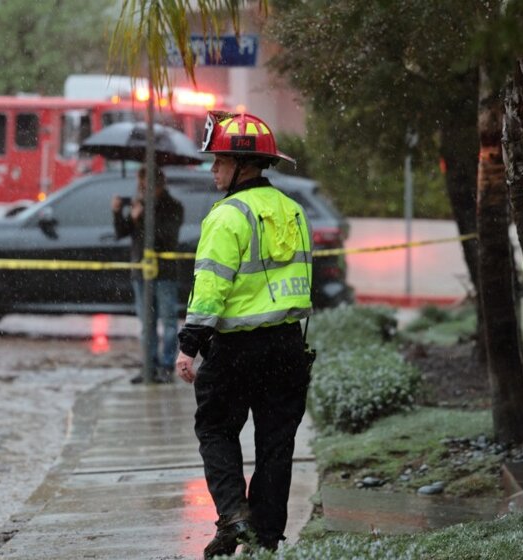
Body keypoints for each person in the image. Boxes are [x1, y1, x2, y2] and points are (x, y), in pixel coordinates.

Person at [174, 112, 313, 557]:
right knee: (276, 444)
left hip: (235, 348)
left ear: (243, 165)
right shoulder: (292, 211)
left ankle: (234, 514)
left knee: (216, 428)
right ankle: (265, 538)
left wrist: (188, 346)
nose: (213, 169)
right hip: (287, 344)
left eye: (219, 161)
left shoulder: (227, 215)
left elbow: (211, 286)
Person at [112, 165, 184, 384]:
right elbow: (121, 232)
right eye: (139, 184)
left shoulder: (172, 206)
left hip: (164, 272)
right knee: (147, 323)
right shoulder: (140, 204)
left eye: (144, 184)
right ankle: (149, 366)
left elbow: (165, 237)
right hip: (141, 272)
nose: (141, 189)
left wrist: (142, 217)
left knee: (169, 321)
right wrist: (119, 213)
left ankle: (166, 366)